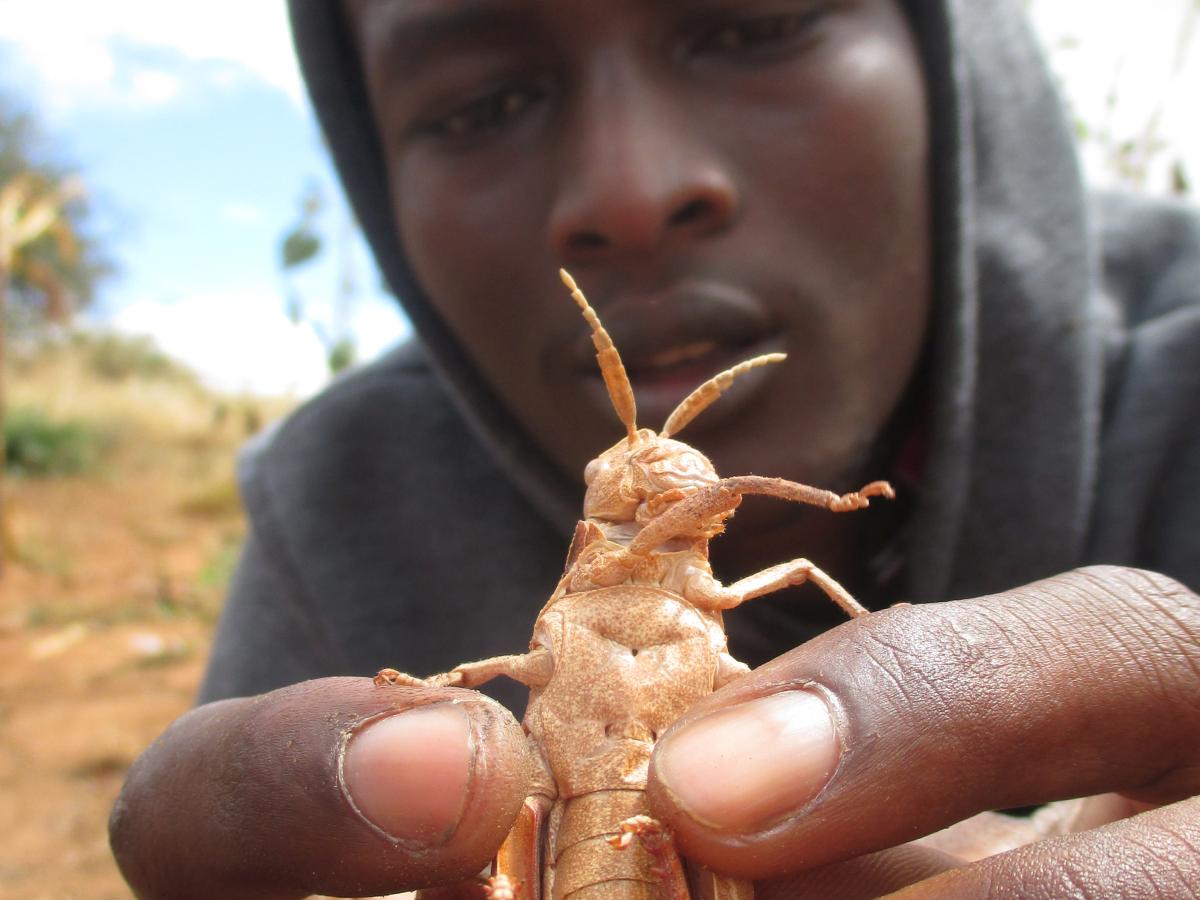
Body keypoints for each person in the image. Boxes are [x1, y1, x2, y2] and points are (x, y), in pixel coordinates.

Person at [109, 0, 1200, 897]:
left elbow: (789, 558)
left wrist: (889, 631)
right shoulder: (336, 499)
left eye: (756, 24)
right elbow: (520, 675)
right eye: (483, 103)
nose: (632, 194)